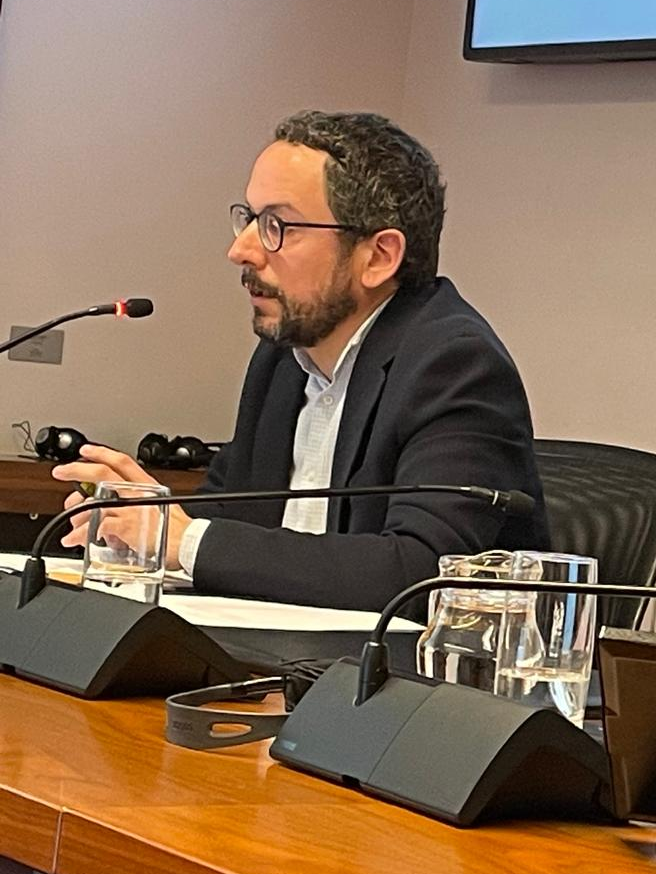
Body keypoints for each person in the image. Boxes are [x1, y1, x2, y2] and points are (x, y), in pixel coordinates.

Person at [54, 111, 549, 611]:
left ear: (378, 257)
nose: (240, 250)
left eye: (277, 226)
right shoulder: (282, 358)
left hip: (387, 680)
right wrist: (138, 522)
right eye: (248, 219)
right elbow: (228, 521)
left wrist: (182, 539)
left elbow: (427, 571)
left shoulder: (455, 365)